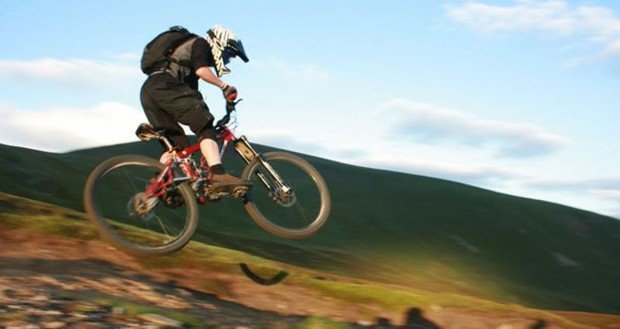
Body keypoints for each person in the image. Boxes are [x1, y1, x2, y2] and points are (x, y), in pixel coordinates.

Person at [140, 25, 250, 187]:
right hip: (165, 85)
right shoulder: (200, 43)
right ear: (220, 43)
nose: (228, 59)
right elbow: (202, 71)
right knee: (205, 126)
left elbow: (191, 97)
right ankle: (218, 174)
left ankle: (159, 185)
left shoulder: (184, 62)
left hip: (149, 91)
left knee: (177, 147)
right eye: (229, 53)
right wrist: (225, 87)